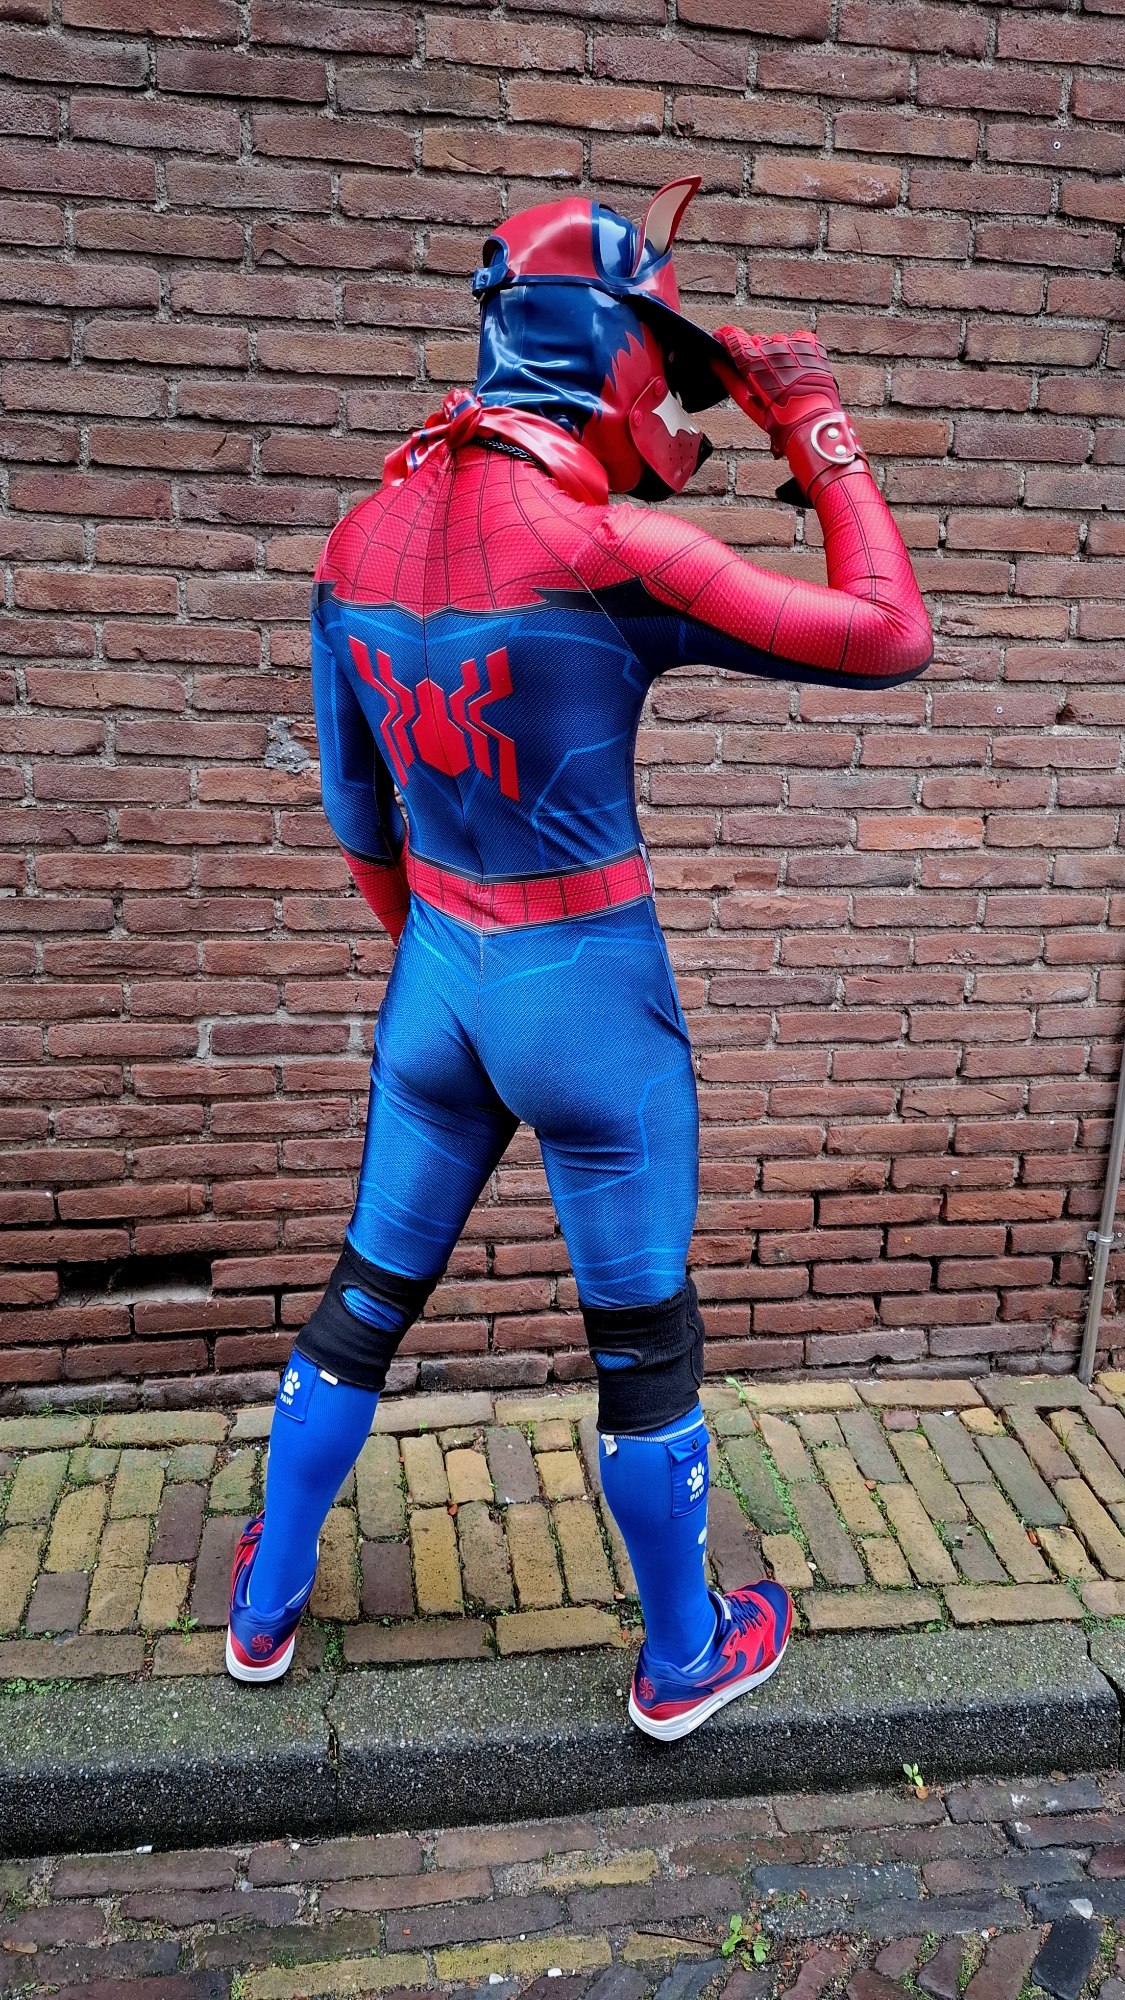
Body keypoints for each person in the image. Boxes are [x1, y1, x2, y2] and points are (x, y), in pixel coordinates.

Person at [226, 177, 932, 1739]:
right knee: (641, 1342)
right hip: (587, 992)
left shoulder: (360, 534)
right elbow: (888, 631)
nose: (664, 399)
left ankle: (264, 1604)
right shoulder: (605, 546)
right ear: (607, 347)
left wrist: (449, 977)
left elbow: (355, 815)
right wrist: (814, 428)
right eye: (657, 362)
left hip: (438, 982)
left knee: (365, 1297)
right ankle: (683, 1659)